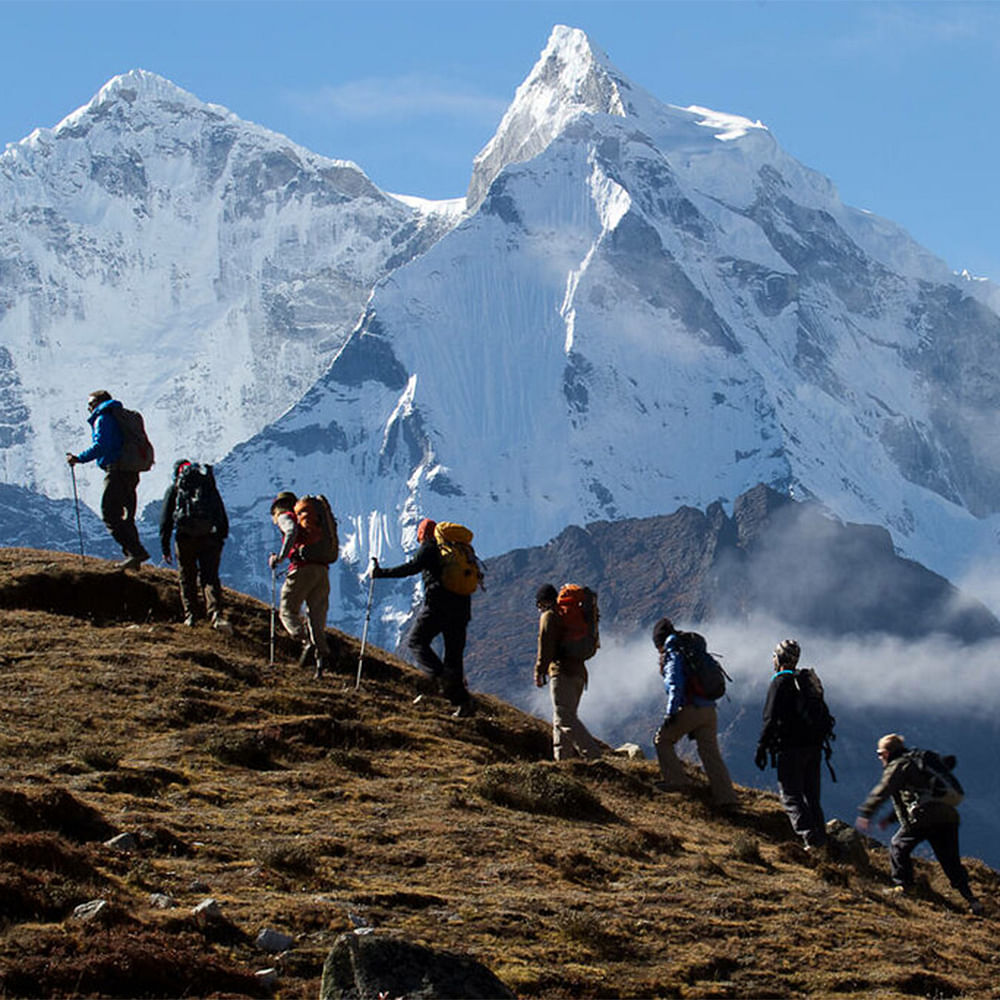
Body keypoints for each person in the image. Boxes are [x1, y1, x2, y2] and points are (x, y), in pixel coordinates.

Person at [856, 733, 984, 915]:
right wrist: (891, 819)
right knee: (950, 860)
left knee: (898, 846)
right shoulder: (919, 760)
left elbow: (883, 790)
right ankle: (972, 900)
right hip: (948, 815)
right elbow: (917, 794)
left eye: (879, 753)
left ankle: (904, 886)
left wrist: (866, 812)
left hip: (924, 815)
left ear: (886, 752)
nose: (879, 757)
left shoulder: (898, 765)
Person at [372, 518, 475, 718]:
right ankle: (463, 702)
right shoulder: (458, 550)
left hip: (438, 605)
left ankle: (441, 679)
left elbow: (411, 567)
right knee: (453, 656)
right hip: (462, 608)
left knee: (416, 641)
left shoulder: (429, 547)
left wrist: (380, 573)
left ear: (422, 534)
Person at [652, 617, 738, 809]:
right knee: (710, 753)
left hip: (692, 708)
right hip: (710, 709)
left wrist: (670, 713)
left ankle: (676, 782)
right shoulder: (692, 647)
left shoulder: (673, 652)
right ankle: (727, 798)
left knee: (662, 740)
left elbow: (675, 684)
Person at [755, 639, 830, 851]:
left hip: (790, 748)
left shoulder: (779, 683)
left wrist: (762, 747)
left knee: (790, 795)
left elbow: (770, 718)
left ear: (778, 658)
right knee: (812, 796)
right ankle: (821, 839)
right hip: (814, 747)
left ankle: (811, 839)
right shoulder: (804, 683)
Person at [66, 390, 150, 570]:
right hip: (131, 471)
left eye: (90, 404)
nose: (89, 408)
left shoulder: (103, 418)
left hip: (117, 470)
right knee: (127, 516)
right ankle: (133, 560)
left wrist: (78, 458)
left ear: (97, 402)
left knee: (110, 514)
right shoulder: (122, 416)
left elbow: (101, 445)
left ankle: (136, 552)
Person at [534, 583, 603, 760]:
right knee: (561, 717)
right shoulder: (570, 616)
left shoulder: (549, 616)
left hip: (561, 672)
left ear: (542, 602)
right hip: (579, 674)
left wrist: (540, 671)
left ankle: (593, 756)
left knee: (564, 717)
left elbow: (546, 645)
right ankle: (562, 760)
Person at [159, 460, 230, 630]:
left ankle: (191, 616)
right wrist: (220, 537)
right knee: (210, 577)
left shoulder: (175, 489)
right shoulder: (207, 486)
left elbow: (165, 520)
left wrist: (165, 548)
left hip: (184, 539)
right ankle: (215, 614)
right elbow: (220, 513)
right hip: (209, 538)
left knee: (187, 577)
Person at [268, 491, 331, 679]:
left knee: (287, 611)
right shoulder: (312, 522)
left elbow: (290, 531)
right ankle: (320, 665)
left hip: (302, 569)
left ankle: (306, 640)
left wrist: (280, 557)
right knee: (316, 619)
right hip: (322, 571)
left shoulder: (285, 516)